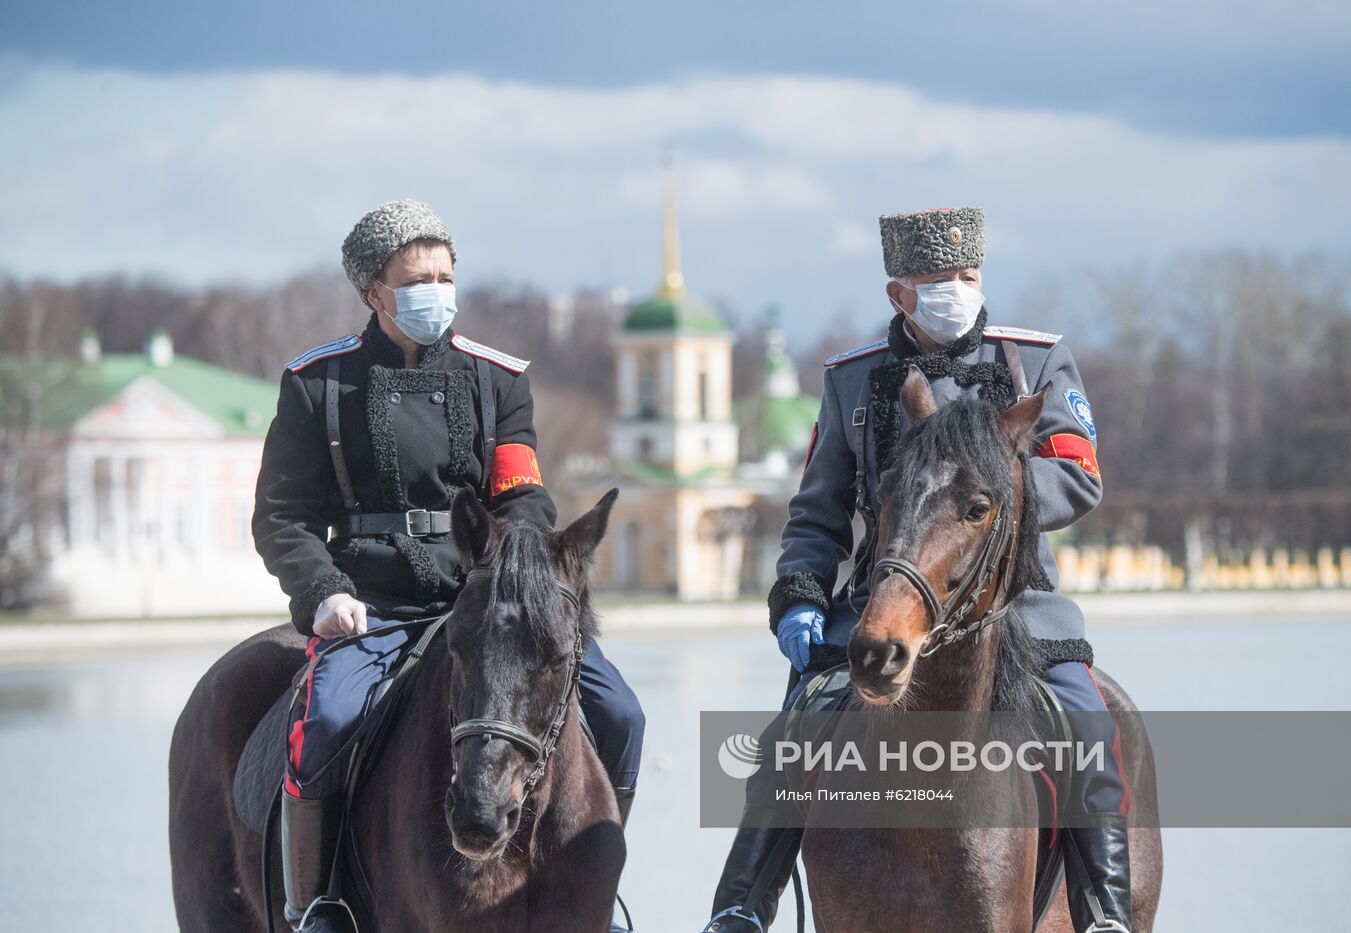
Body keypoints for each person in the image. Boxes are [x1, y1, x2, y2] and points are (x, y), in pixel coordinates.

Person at [702, 208, 1131, 933]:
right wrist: (800, 596)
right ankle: (742, 905)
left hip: (1014, 601)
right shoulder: (852, 380)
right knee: (793, 728)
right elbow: (818, 510)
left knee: (1087, 723)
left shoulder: (1037, 359)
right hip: (892, 597)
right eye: (938, 281)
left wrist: (1000, 495)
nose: (956, 291)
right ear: (901, 294)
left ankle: (1106, 910)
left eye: (967, 276)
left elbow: (1080, 475)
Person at [252, 198, 645, 932]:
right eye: (417, 277)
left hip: (490, 597)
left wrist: (516, 569)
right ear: (375, 291)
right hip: (373, 602)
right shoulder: (317, 384)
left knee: (622, 710)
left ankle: (595, 889)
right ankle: (319, 903)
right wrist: (324, 592)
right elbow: (283, 518)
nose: (437, 288)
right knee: (329, 718)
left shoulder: (497, 379)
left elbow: (524, 493)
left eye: (444, 272)